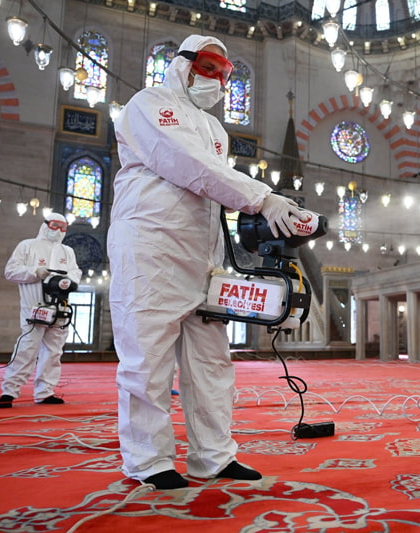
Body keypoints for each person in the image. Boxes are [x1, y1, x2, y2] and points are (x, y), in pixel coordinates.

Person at [108, 35, 307, 491]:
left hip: (204, 255)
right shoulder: (148, 104)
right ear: (183, 65)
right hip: (150, 246)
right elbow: (184, 162)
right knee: (148, 358)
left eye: (226, 74)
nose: (219, 81)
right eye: (211, 67)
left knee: (212, 362)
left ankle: (214, 456)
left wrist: (247, 232)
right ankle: (149, 460)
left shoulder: (217, 130)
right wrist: (261, 197)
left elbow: (213, 193)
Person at [0, 213, 81, 408]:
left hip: (60, 307)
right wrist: (35, 272)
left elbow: (75, 272)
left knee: (53, 352)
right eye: (54, 225)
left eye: (63, 227)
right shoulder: (27, 246)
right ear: (45, 225)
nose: (58, 230)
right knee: (27, 349)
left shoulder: (67, 251)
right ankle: (9, 391)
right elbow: (10, 271)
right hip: (34, 308)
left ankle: (45, 392)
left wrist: (68, 281)